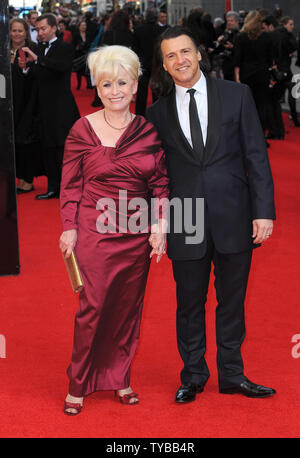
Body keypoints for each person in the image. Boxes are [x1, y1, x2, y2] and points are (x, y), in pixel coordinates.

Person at [147, 26, 276, 403]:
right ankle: (193, 375)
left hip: (235, 213)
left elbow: (257, 155)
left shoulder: (237, 95)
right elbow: (156, 174)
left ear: (199, 53)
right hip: (185, 216)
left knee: (232, 301)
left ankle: (233, 374)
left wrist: (263, 210)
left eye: (184, 51)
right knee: (189, 303)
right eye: (170, 56)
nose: (180, 60)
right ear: (164, 65)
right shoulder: (156, 112)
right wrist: (157, 222)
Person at [59, 45, 169, 415]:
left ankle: (119, 377)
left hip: (135, 233)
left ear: (136, 85)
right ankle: (79, 382)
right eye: (106, 84)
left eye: (122, 82)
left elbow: (160, 183)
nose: (115, 91)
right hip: (94, 229)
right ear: (97, 87)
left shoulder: (148, 132)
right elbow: (71, 184)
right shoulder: (82, 129)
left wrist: (160, 225)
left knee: (126, 309)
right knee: (92, 307)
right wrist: (69, 228)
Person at [21, 13, 80, 199]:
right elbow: (37, 76)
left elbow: (61, 67)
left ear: (54, 28)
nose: (40, 32)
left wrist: (37, 60)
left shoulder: (65, 47)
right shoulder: (37, 48)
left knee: (64, 150)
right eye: (38, 29)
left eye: (44, 28)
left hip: (61, 107)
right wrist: (26, 68)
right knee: (47, 148)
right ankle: (53, 187)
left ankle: (70, 188)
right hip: (42, 108)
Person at [10, 18, 41, 193]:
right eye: (13, 30)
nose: (16, 34)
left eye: (20, 31)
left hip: (28, 102)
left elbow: (36, 75)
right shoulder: (5, 50)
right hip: (10, 101)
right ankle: (20, 178)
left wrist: (25, 68)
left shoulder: (31, 50)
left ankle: (28, 180)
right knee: (15, 143)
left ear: (26, 32)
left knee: (26, 141)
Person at [234, 11, 274, 138]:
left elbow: (237, 60)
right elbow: (270, 59)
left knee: (246, 106)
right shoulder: (267, 37)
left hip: (247, 74)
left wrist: (237, 77)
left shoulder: (241, 37)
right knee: (262, 105)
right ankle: (260, 135)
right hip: (262, 74)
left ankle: (247, 135)